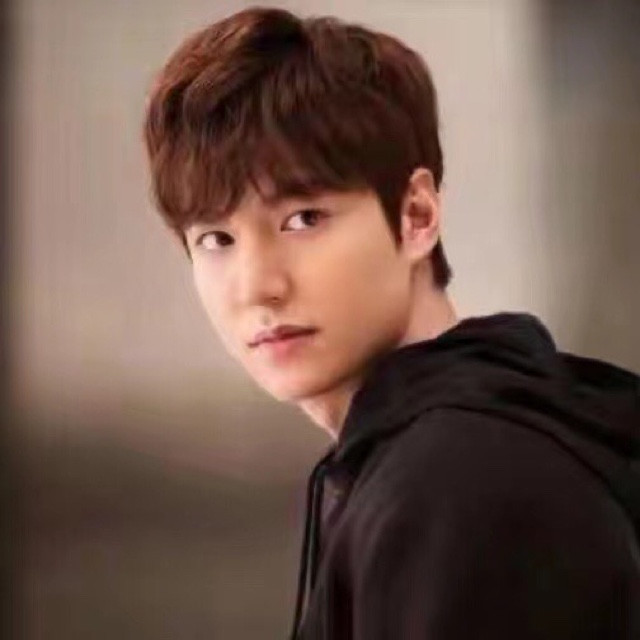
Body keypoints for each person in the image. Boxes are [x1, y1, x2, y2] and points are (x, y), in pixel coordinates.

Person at [142, 7, 640, 639]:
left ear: (417, 215)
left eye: (303, 219)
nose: (256, 286)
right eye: (216, 239)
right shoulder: (435, 453)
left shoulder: (456, 482)